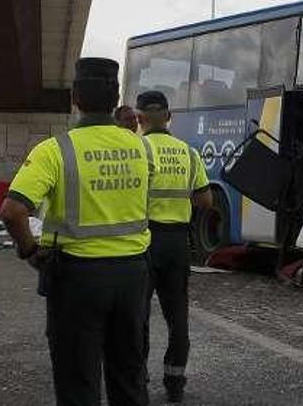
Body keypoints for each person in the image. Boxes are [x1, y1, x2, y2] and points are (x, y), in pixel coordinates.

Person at [0, 58, 153, 406]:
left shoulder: (55, 150)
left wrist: (28, 251)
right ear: (115, 98)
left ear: (75, 97)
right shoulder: (142, 149)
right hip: (133, 275)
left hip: (76, 279)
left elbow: (12, 211)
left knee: (77, 381)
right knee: (130, 376)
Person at [135, 90, 212, 403]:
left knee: (138, 315)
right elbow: (205, 200)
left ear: (139, 119)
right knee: (177, 315)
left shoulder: (137, 150)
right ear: (169, 117)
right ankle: (175, 382)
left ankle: (137, 379)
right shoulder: (188, 153)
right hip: (177, 242)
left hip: (142, 241)